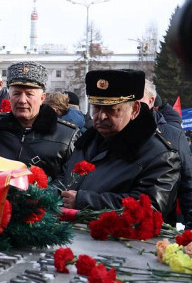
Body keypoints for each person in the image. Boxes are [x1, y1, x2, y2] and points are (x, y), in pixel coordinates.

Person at [61, 69, 179, 220]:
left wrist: (85, 201)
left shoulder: (160, 154)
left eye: (112, 109)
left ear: (135, 109)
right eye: (97, 107)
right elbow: (66, 179)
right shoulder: (87, 141)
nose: (101, 116)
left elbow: (151, 207)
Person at [0, 61, 78, 180]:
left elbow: (70, 178)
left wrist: (43, 196)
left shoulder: (65, 136)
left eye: (29, 94)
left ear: (42, 98)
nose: (22, 100)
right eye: (17, 93)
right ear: (9, 96)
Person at [142, 80, 192, 227]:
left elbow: (188, 182)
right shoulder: (103, 134)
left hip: (158, 229)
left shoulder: (172, 135)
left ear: (151, 101)